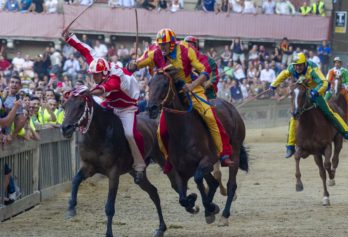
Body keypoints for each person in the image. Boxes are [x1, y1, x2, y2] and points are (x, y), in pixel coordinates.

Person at [128, 28, 234, 168]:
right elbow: (137, 63)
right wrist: (132, 65)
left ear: (172, 43)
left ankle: (224, 153)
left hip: (191, 87)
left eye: (164, 45)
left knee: (209, 116)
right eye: (160, 44)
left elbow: (204, 70)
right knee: (161, 132)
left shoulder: (186, 49)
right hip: (169, 92)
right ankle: (168, 161)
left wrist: (192, 85)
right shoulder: (155, 51)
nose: (162, 48)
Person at [62, 29, 146, 184]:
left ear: (105, 73)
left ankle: (139, 165)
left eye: (96, 75)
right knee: (90, 109)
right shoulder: (98, 64)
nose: (94, 77)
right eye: (92, 75)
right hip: (110, 102)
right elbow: (85, 50)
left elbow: (104, 89)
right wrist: (70, 38)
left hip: (126, 107)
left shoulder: (115, 78)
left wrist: (89, 91)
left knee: (130, 134)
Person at [269, 53, 348, 158]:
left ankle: (347, 133)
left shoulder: (313, 69)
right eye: (296, 65)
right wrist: (273, 85)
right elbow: (284, 74)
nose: (298, 67)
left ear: (304, 63)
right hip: (302, 92)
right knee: (294, 117)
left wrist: (316, 91)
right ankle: (290, 146)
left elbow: (324, 83)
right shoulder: (292, 68)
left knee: (329, 113)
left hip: (316, 92)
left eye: (300, 65)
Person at [325, 57, 348, 123]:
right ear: (334, 63)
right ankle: (324, 116)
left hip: (342, 90)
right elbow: (327, 80)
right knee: (324, 100)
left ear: (341, 63)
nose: (337, 64)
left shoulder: (345, 71)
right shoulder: (331, 71)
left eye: (338, 62)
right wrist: (331, 86)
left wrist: (344, 85)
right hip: (332, 90)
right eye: (336, 62)